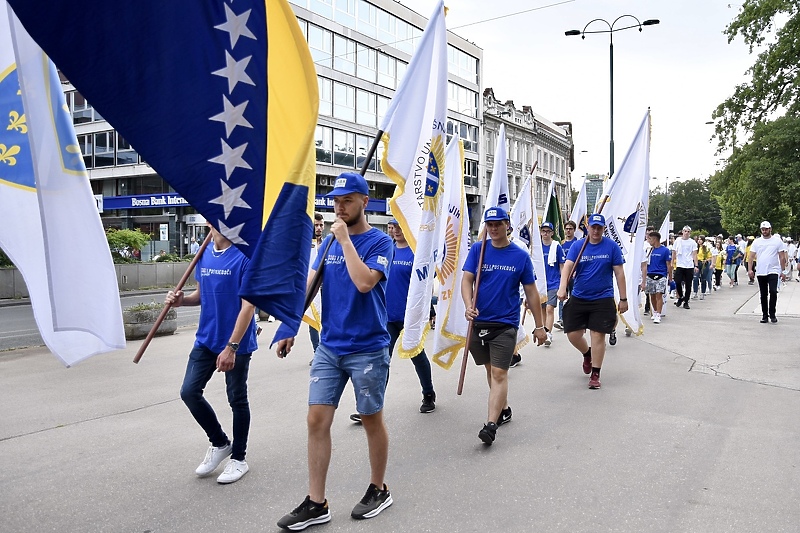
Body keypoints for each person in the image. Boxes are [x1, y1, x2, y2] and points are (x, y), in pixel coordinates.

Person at [276, 172, 394, 530]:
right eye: (335, 201)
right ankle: (316, 502)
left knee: (371, 418)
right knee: (316, 420)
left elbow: (363, 283)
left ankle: (378, 488)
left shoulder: (379, 242)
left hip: (368, 347)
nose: (339, 207)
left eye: (346, 200)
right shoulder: (327, 244)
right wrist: (288, 325)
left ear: (364, 201)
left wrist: (344, 241)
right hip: (330, 346)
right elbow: (311, 285)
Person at [165, 223, 258, 485]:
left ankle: (239, 458)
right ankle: (219, 443)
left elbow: (248, 306)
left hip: (236, 342)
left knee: (237, 399)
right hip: (206, 338)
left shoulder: (245, 255)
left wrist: (232, 347)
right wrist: (181, 300)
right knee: (189, 392)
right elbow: (202, 295)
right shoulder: (203, 252)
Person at [462, 207, 547, 445]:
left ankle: (491, 424)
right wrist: (468, 305)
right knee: (491, 371)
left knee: (499, 372)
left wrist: (540, 326)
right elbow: (467, 280)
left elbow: (531, 293)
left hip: (505, 323)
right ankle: (504, 408)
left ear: (507, 224)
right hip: (478, 322)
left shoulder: (519, 257)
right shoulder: (478, 250)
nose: (494, 228)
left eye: (498, 224)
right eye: (489, 224)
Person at [557, 214, 628, 390]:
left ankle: (596, 373)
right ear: (587, 227)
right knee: (573, 334)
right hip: (580, 296)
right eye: (593, 227)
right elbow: (567, 266)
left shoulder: (611, 247)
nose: (596, 231)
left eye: (599, 228)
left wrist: (624, 298)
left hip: (602, 298)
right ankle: (587, 353)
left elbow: (619, 273)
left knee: (597, 335)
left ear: (603, 229)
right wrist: (563, 286)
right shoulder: (578, 246)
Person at [382, 219, 437, 412]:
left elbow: (426, 284)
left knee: (417, 355)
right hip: (387, 317)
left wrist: (429, 311)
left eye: (400, 226)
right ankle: (372, 404)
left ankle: (428, 394)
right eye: (393, 227)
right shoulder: (387, 249)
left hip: (410, 317)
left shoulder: (417, 252)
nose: (396, 230)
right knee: (382, 360)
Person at [747, 221, 788, 323]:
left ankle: (772, 313)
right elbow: (751, 256)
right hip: (761, 270)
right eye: (763, 229)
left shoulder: (777, 241)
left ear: (770, 229)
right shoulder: (757, 242)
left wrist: (783, 271)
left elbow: (782, 257)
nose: (764, 231)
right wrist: (750, 269)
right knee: (763, 293)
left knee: (773, 291)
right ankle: (765, 315)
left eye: (766, 229)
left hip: (773, 269)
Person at [539, 221, 565, 346]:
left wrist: (563, 284)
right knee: (543, 309)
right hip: (540, 283)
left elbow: (562, 265)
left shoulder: (556, 246)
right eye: (543, 231)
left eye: (548, 231)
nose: (545, 233)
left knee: (550, 308)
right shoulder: (537, 247)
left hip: (554, 282)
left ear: (552, 233)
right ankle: (544, 330)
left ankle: (548, 332)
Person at [641, 231, 671, 324]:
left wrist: (670, 276)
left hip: (661, 275)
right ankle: (654, 311)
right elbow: (645, 263)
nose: (648, 241)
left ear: (655, 239)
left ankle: (658, 314)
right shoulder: (649, 250)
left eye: (650, 239)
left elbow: (668, 264)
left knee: (659, 294)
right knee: (652, 295)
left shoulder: (665, 250)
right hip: (650, 274)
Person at [307, 212, 325, 365]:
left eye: (321, 225)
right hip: (313, 288)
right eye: (316, 225)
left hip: (328, 288)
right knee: (313, 322)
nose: (318, 228)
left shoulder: (328, 243)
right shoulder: (306, 244)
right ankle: (317, 352)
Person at [556, 220, 579, 330]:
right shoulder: (562, 244)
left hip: (575, 275)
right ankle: (561, 319)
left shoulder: (578, 243)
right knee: (562, 296)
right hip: (564, 275)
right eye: (567, 229)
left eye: (570, 229)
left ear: (574, 230)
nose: (568, 231)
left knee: (574, 297)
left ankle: (574, 318)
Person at [672, 226, 698, 309]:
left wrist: (696, 265)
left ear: (690, 233)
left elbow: (694, 254)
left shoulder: (692, 242)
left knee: (688, 284)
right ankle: (680, 297)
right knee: (678, 282)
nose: (686, 233)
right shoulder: (678, 241)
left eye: (688, 231)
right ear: (682, 232)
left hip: (689, 265)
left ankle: (686, 301)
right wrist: (672, 263)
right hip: (680, 264)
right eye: (685, 231)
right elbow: (674, 252)